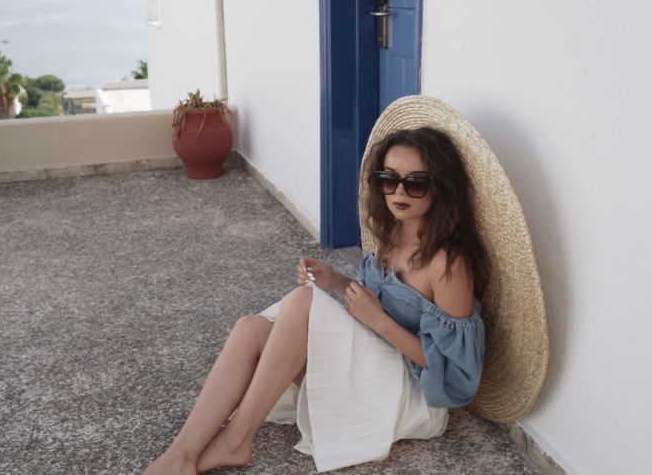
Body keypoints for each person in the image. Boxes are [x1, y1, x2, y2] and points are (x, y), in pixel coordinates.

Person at [144, 126, 490, 474]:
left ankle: (235, 441)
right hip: (375, 365)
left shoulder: (449, 263)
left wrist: (379, 321)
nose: (399, 192)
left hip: (410, 397)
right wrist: (337, 282)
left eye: (416, 182)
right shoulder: (391, 232)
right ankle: (182, 453)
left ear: (441, 187)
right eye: (389, 179)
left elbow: (458, 377)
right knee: (251, 329)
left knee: (302, 303)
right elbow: (379, 305)